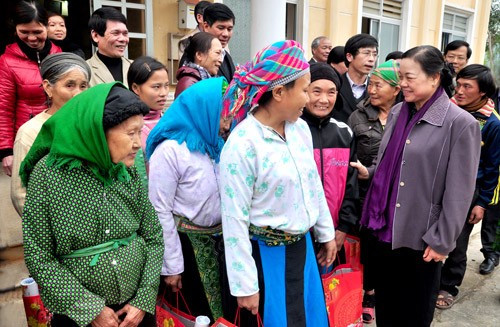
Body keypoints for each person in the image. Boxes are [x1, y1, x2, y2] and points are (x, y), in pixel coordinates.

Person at [351, 45, 481, 326]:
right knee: (387, 311)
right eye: (401, 76)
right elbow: (391, 163)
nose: (402, 84)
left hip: (421, 238)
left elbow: (460, 192)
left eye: (410, 77)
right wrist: (370, 173)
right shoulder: (399, 111)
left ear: (434, 78)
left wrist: (442, 240)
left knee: (413, 315)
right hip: (384, 230)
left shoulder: (460, 123)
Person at [21, 82, 164, 327]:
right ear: (97, 131)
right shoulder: (47, 175)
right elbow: (39, 255)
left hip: (135, 312)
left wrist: (143, 299)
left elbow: (153, 236)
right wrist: (89, 308)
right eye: (130, 133)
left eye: (138, 132)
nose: (138, 143)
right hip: (78, 317)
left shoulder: (126, 172)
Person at [219, 40, 336, 326]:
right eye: (305, 90)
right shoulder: (243, 144)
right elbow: (234, 219)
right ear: (279, 91)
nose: (310, 99)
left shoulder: (300, 130)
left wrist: (326, 233)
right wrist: (245, 286)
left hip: (304, 250)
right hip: (266, 257)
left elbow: (313, 184)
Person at [147, 77, 231, 322]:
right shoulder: (170, 150)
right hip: (188, 249)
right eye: (222, 116)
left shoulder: (216, 144)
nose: (227, 124)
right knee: (196, 314)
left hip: (220, 244)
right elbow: (159, 209)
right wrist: (172, 266)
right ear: (204, 112)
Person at [437, 64, 500, 309]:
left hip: (467, 193)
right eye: (458, 84)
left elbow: (493, 168)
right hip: (438, 185)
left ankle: (448, 286)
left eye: (467, 87)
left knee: (457, 242)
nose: (459, 91)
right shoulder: (446, 110)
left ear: (483, 93)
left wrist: (482, 202)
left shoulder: (492, 124)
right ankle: (429, 281)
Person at [347, 59, 401, 324]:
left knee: (388, 247)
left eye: (379, 85)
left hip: (396, 197)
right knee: (366, 246)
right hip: (365, 194)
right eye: (371, 84)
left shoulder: (406, 116)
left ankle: (384, 290)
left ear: (395, 88)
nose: (372, 90)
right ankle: (368, 293)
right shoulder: (357, 117)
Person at [11, 52, 90, 216]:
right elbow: (21, 195)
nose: (78, 93)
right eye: (69, 85)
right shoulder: (31, 131)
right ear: (48, 87)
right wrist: (47, 229)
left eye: (83, 86)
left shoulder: (92, 126)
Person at [0, 0, 61, 176]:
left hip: (59, 134)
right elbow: (4, 108)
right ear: (15, 29)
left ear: (47, 27)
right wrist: (6, 150)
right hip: (28, 138)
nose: (32, 38)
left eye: (37, 32)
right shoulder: (7, 61)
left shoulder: (59, 54)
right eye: (24, 32)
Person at [302, 62, 358, 250]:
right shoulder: (292, 131)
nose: (324, 100)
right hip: (299, 233)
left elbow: (352, 185)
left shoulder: (344, 133)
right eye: (316, 91)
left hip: (334, 231)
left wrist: (343, 227)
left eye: (331, 92)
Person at [127, 56, 169, 185]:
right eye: (156, 87)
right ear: (135, 88)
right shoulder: (125, 126)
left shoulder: (169, 120)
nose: (163, 93)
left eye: (166, 86)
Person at [334, 33, 378, 124]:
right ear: (349, 56)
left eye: (374, 54)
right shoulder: (335, 85)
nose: (371, 59)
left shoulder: (377, 88)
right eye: (366, 53)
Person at [87, 7, 132, 87]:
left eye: (125, 34)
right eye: (115, 33)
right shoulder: (84, 71)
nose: (122, 39)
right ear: (96, 36)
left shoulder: (136, 67)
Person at [175, 32, 223, 98]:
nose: (221, 60)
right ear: (199, 55)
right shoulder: (188, 84)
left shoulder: (209, 80)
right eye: (217, 53)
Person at [202, 3, 235, 82]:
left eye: (229, 29)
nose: (226, 34)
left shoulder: (227, 57)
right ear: (206, 26)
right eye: (221, 28)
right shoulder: (193, 54)